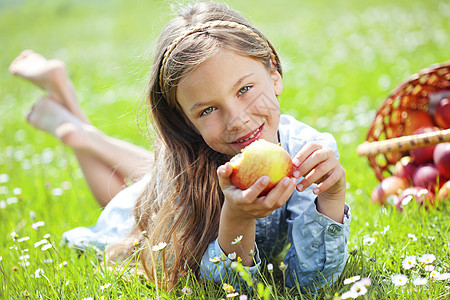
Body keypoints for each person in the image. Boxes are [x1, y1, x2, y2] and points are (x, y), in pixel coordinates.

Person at [10, 1, 350, 292]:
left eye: (244, 89)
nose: (236, 120)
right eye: (208, 109)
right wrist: (236, 217)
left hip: (159, 179)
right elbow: (227, 288)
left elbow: (314, 282)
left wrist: (331, 199)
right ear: (187, 121)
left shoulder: (310, 153)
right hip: (136, 211)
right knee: (117, 198)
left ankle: (83, 132)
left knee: (150, 175)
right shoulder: (185, 182)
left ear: (274, 73)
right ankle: (79, 136)